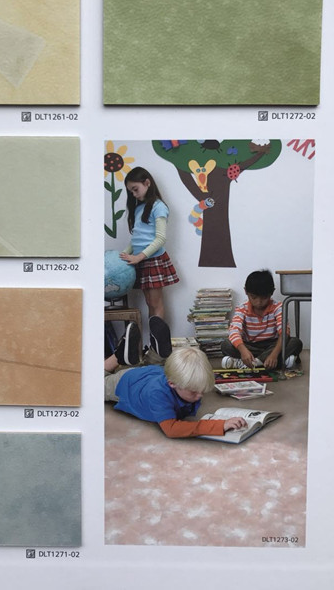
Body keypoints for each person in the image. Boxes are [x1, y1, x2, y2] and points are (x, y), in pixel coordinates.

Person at [105, 319, 246, 439]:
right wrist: (221, 425)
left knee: (154, 367)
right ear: (172, 383)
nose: (200, 396)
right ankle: (118, 356)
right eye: (194, 392)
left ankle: (156, 354)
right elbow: (172, 429)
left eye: (202, 391)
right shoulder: (158, 394)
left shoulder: (179, 379)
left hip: (154, 372)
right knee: (97, 381)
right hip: (127, 382)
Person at [119, 167, 179, 319]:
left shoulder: (159, 207)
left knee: (155, 303)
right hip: (142, 259)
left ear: (147, 183)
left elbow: (160, 239)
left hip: (153, 259)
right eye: (131, 192)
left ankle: (159, 334)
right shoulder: (139, 208)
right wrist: (124, 254)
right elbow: (138, 238)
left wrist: (138, 257)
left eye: (135, 189)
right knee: (149, 303)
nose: (134, 194)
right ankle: (154, 334)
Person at [221, 269, 303, 370]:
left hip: (272, 346)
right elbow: (234, 331)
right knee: (226, 345)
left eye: (264, 298)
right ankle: (276, 362)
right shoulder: (242, 308)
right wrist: (243, 350)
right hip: (250, 347)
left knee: (295, 342)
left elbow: (284, 332)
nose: (259, 302)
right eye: (254, 297)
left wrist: (274, 354)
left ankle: (251, 363)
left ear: (272, 292)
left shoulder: (278, 307)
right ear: (246, 291)